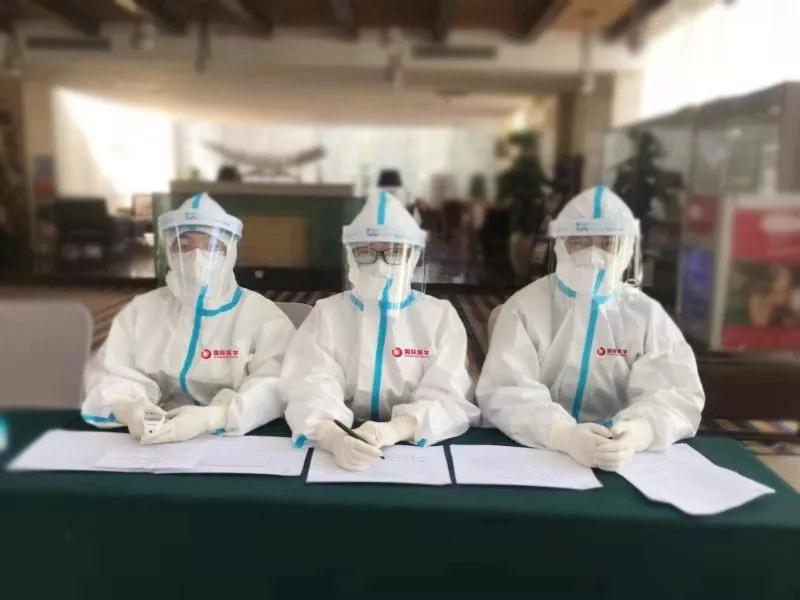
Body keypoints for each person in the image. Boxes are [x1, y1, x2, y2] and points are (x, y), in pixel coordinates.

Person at [477, 186, 704, 471]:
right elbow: (506, 389)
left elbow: (675, 392)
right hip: (536, 451)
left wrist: (640, 431)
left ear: (627, 248)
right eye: (581, 242)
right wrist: (562, 434)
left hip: (622, 460)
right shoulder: (524, 308)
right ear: (560, 243)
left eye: (607, 243)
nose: (594, 255)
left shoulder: (646, 315)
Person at [281, 189, 480, 471]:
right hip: (338, 445)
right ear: (351, 256)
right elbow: (308, 382)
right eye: (366, 252)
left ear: (413, 256)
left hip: (416, 448)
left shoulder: (440, 317)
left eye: (394, 252)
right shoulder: (327, 313)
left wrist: (399, 428)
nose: (380, 265)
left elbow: (450, 394)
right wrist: (331, 434)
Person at [81, 193, 295, 443]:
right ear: (168, 251)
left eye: (212, 245)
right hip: (151, 439)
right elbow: (110, 369)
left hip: (235, 438)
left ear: (230, 251)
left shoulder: (262, 316)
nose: (196, 256)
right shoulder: (142, 311)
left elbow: (277, 383)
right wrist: (128, 407)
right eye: (183, 246)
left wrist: (216, 416)